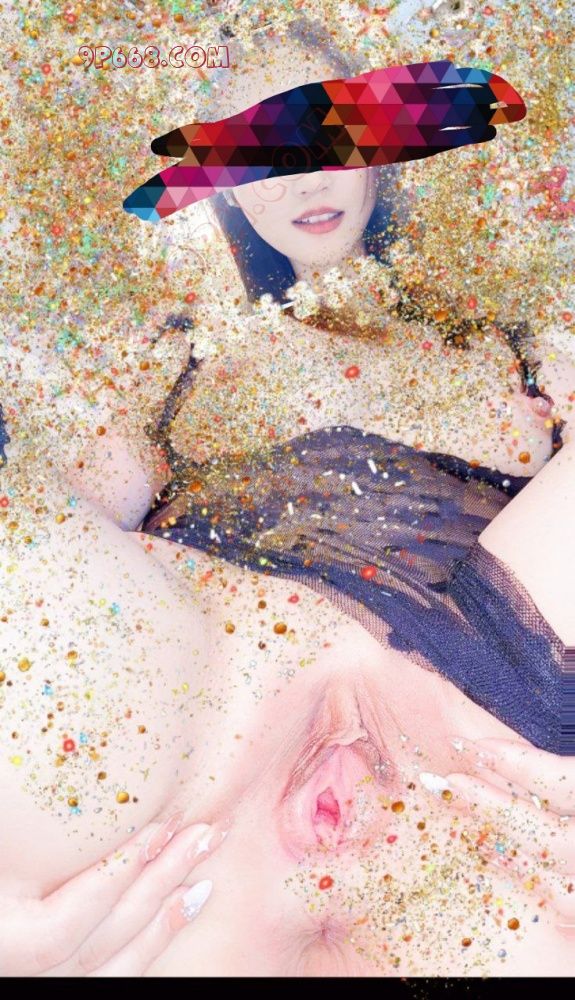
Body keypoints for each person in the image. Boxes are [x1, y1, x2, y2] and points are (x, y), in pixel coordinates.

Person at [1, 18, 574, 978]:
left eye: (327, 127)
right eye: (257, 147)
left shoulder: (515, 340)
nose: (303, 173)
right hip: (212, 705)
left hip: (501, 703)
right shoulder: (166, 358)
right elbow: (58, 534)